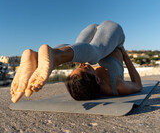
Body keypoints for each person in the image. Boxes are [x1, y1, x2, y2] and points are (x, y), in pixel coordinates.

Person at [11, 21, 142, 103]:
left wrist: (85, 65)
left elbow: (84, 68)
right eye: (85, 68)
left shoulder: (88, 85)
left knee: (80, 51)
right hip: (113, 33)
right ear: (97, 80)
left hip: (88, 37)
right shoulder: (118, 86)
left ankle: (38, 57)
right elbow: (138, 84)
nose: (82, 65)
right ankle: (54, 55)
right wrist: (125, 55)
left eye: (79, 67)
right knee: (94, 54)